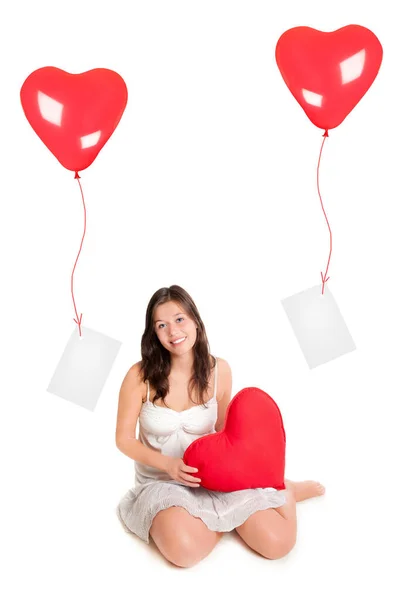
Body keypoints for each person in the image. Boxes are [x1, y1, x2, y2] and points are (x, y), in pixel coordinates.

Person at [116, 285, 325, 567]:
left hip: (212, 478)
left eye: (179, 320)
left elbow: (229, 433)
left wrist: (245, 471)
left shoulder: (220, 371)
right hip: (161, 483)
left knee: (277, 543)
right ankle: (228, 516)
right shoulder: (139, 376)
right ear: (153, 333)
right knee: (183, 551)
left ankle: (283, 491)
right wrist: (169, 465)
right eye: (161, 325)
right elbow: (124, 440)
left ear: (195, 321)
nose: (173, 332)